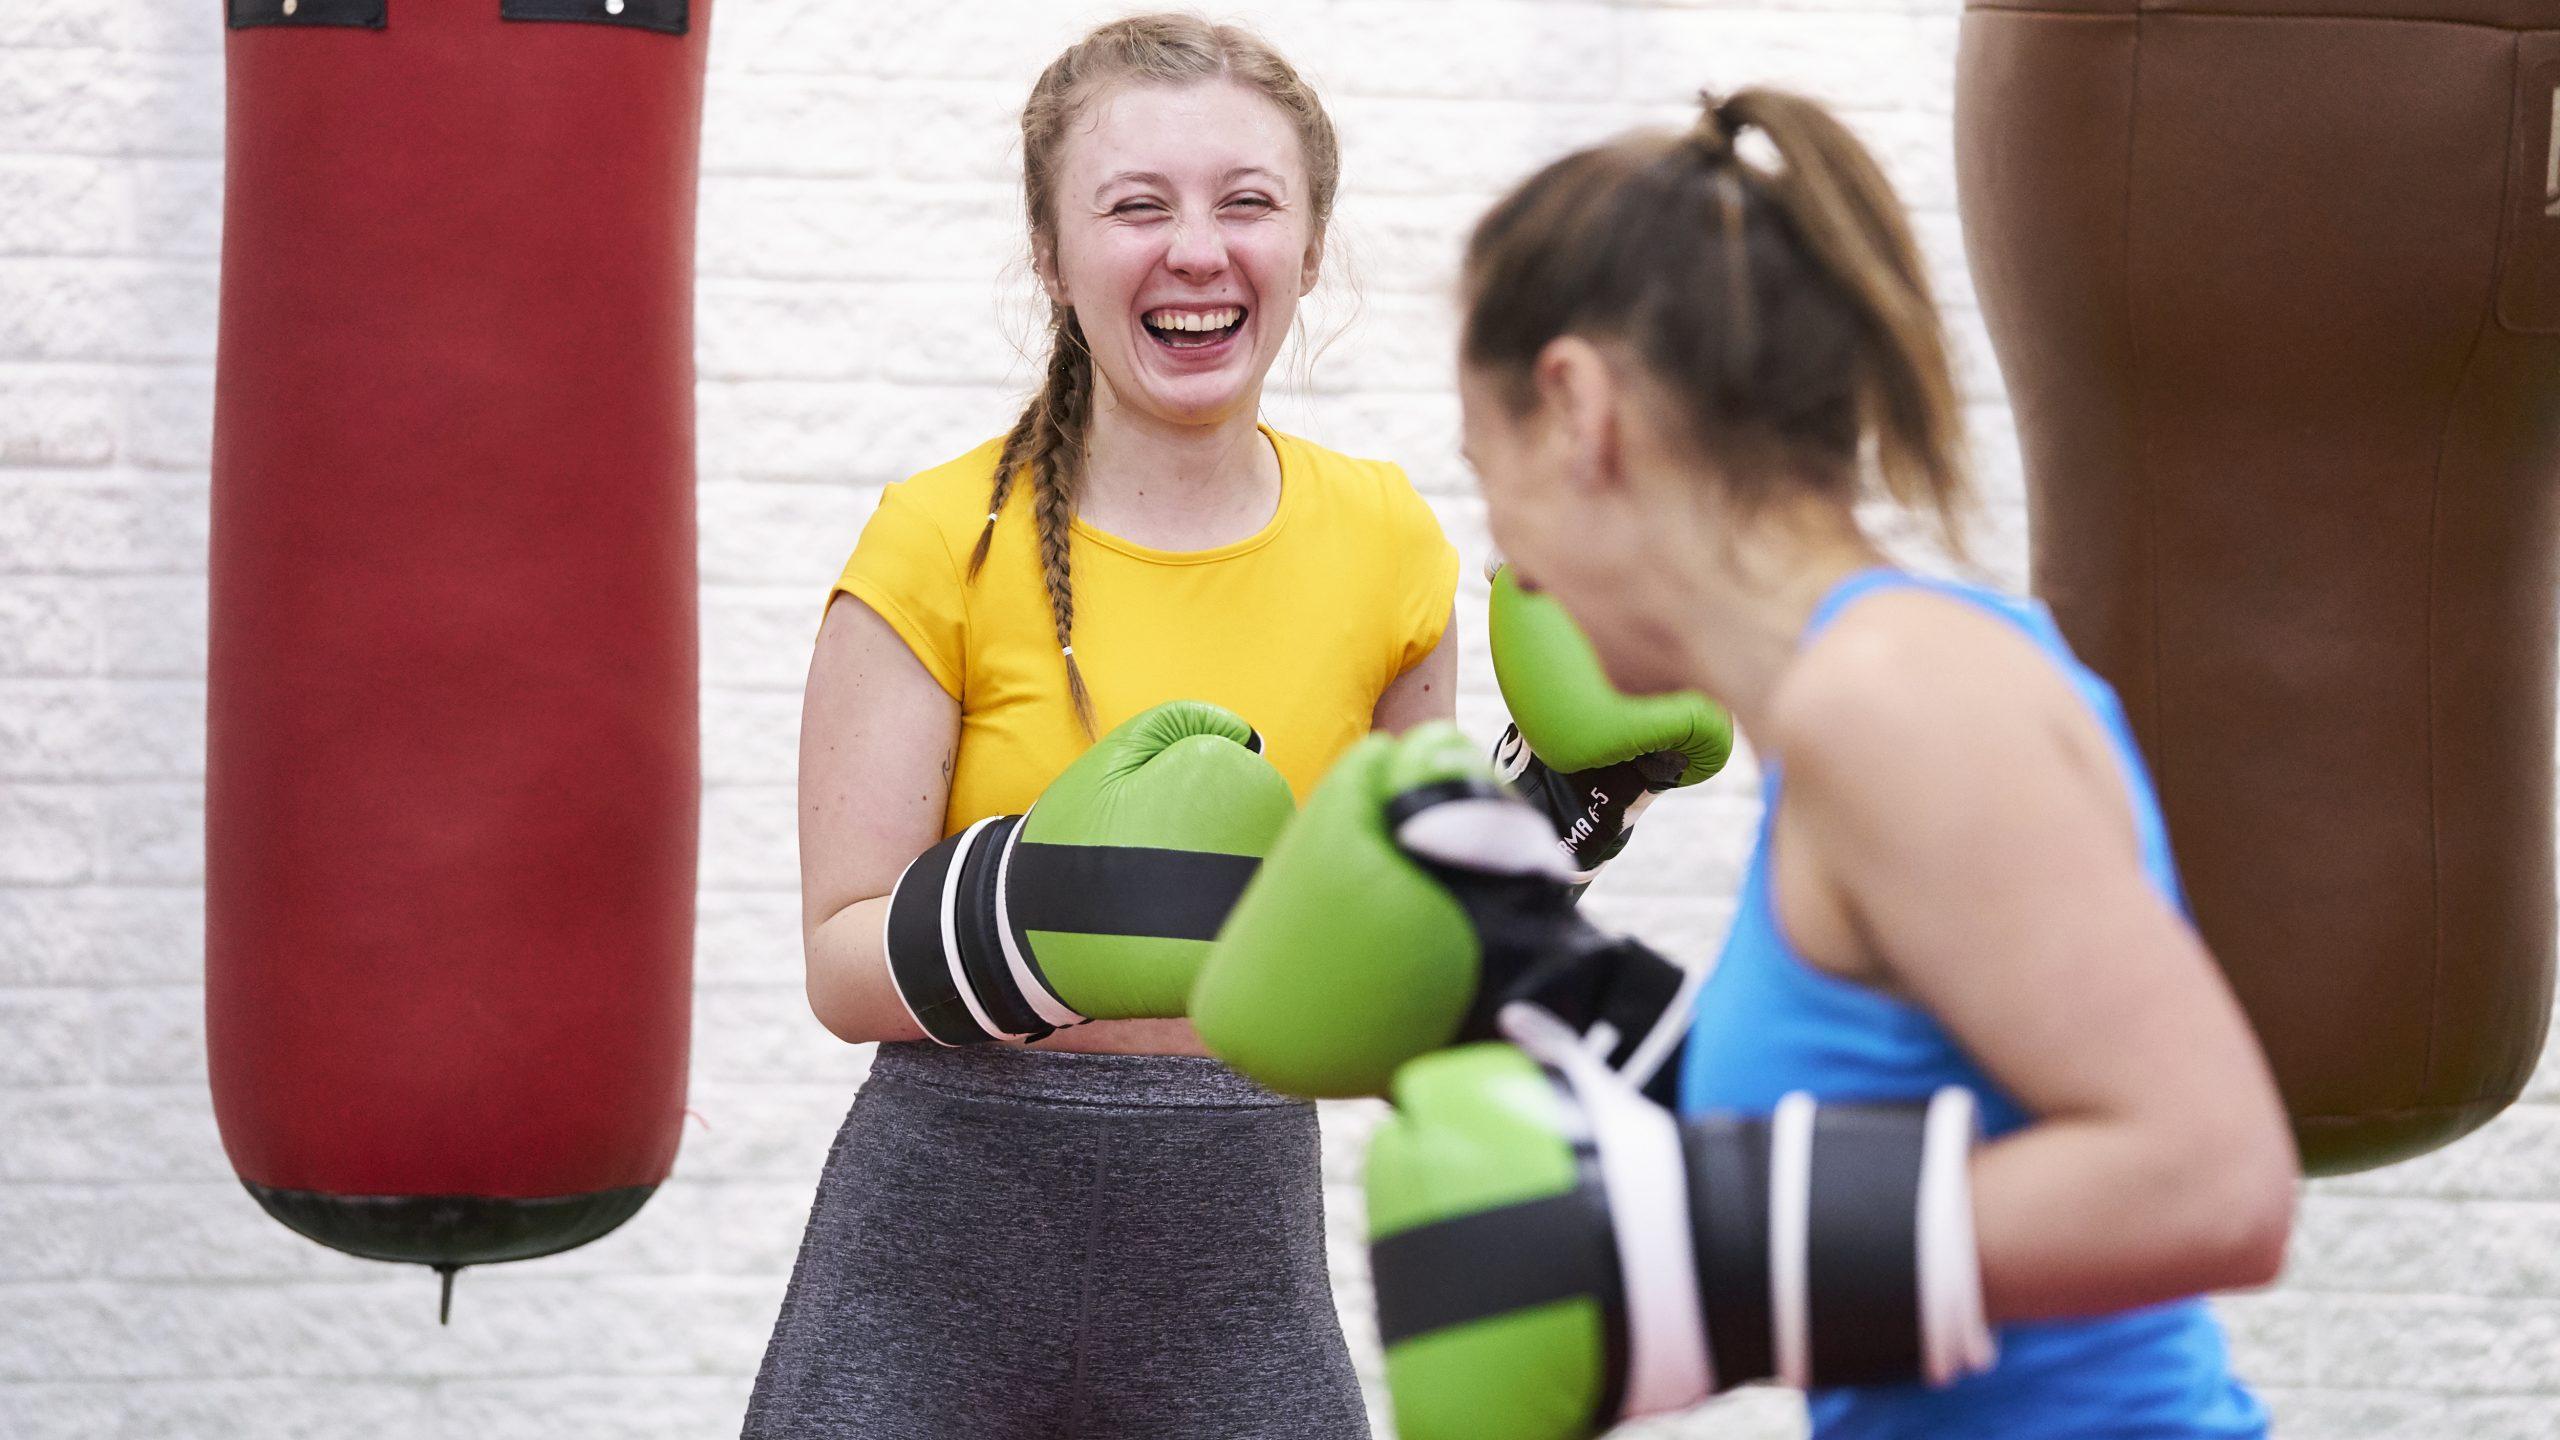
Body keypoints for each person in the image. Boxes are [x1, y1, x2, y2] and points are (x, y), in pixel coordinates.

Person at [1219, 87, 2301, 1439]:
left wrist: (1694, 1261)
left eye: (1482, 459)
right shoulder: (1856, 700)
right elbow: (1909, 1126)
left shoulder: (1896, 697)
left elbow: (2216, 1181)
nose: (1502, 551)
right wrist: (1570, 998)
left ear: (1576, 409)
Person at [741, 16, 1455, 1439]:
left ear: (1312, 244)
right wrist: (1037, 915)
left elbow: (1399, 974)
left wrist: (1564, 805)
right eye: (1137, 207)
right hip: (932, 1258)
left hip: (1238, 1258)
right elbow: (838, 960)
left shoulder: (1388, 539)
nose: (1197, 249)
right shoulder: (936, 536)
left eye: (1247, 201)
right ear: (1053, 255)